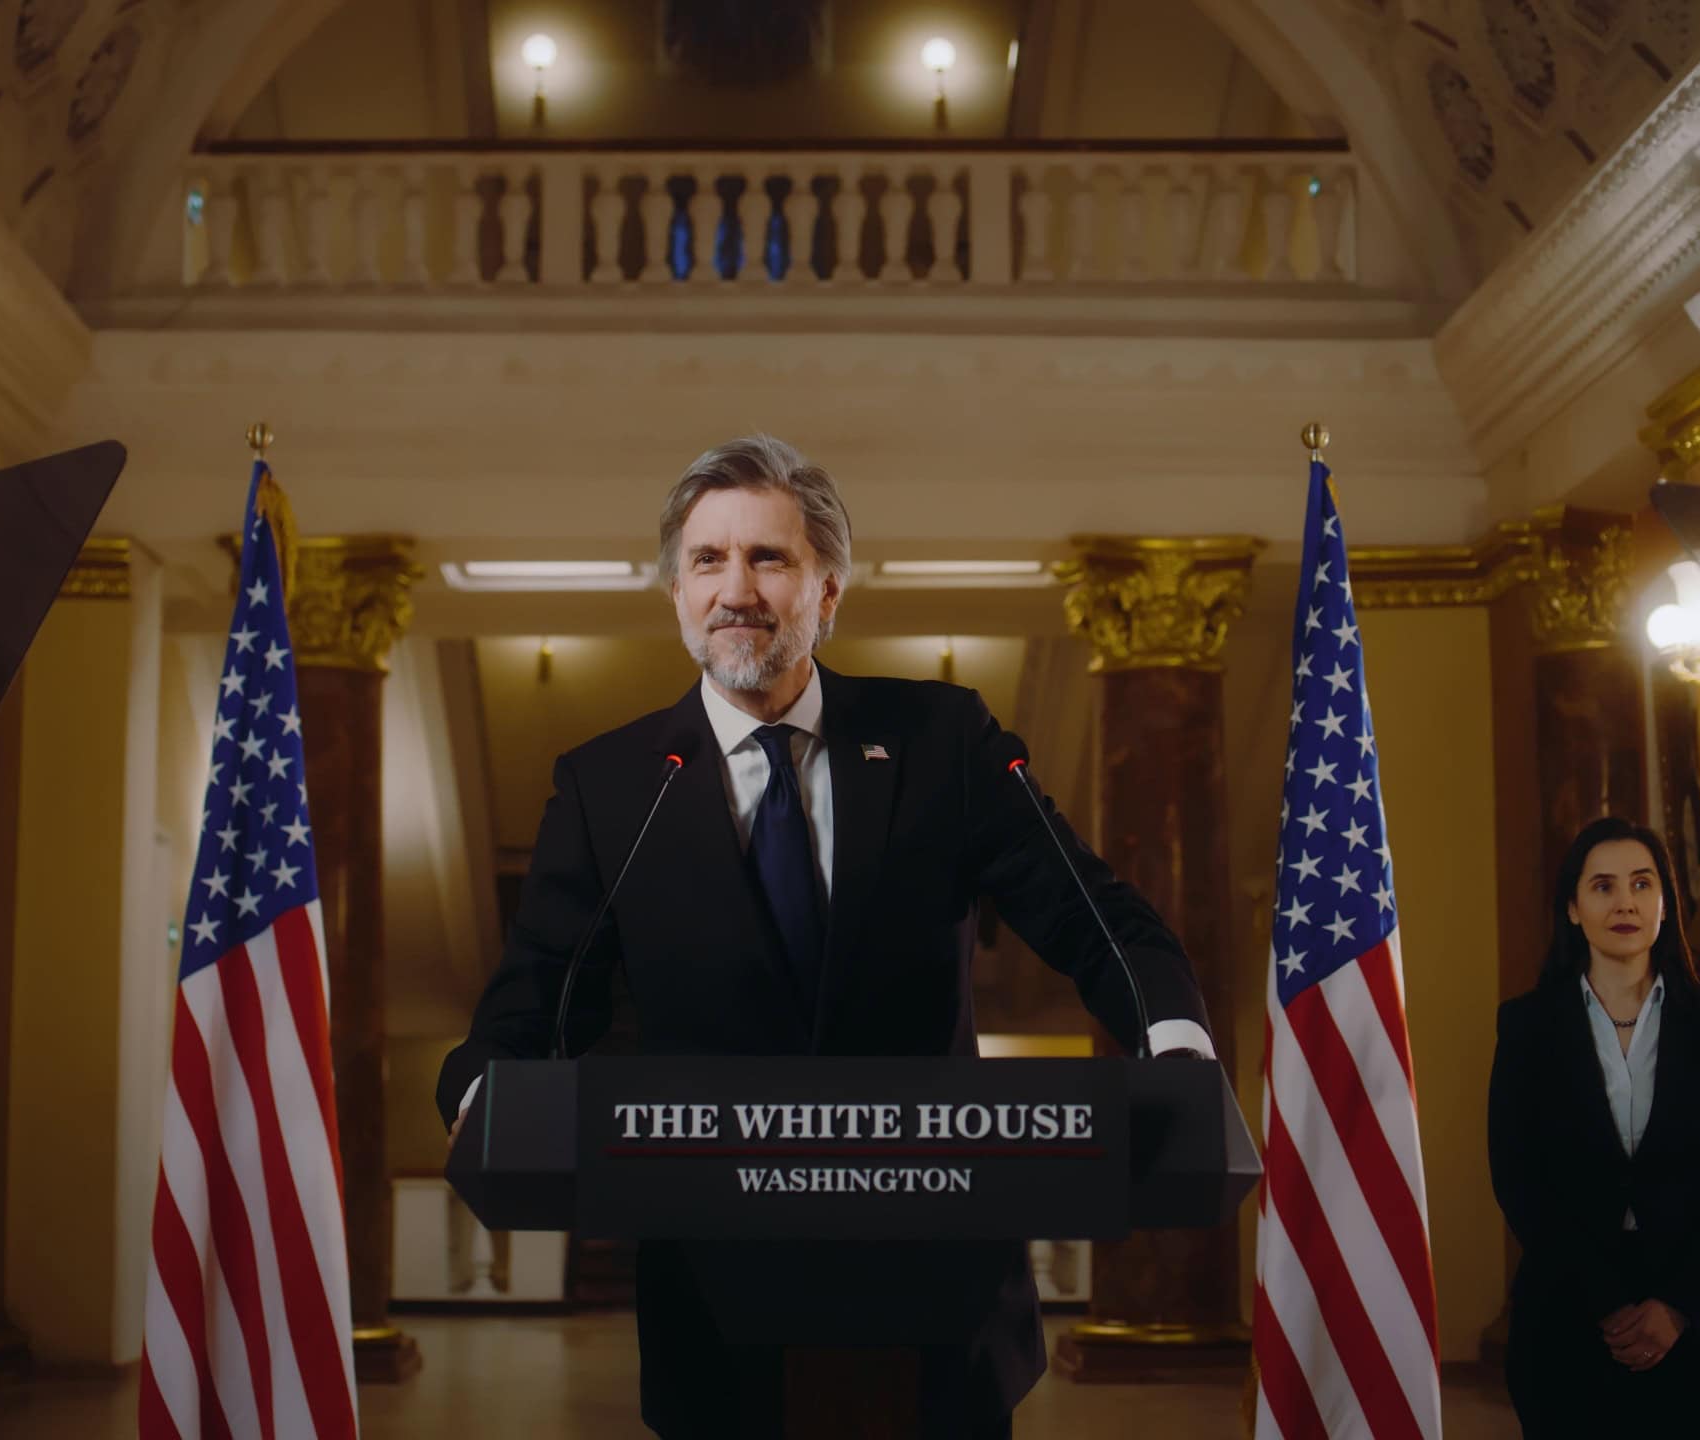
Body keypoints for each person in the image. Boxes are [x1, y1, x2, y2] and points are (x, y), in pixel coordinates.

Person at [436, 435, 1217, 1438]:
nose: (737, 589)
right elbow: (537, 996)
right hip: (718, 1309)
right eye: (708, 561)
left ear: (829, 589)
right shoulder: (612, 786)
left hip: (938, 1293)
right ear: (674, 592)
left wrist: (1175, 1042)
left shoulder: (947, 742)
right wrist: (477, 1090)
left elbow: (1092, 914)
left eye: (769, 558)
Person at [1487, 817, 1700, 1438]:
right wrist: (1607, 1302)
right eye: (1603, 886)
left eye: (1641, 884)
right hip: (1565, 1316)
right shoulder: (1528, 1027)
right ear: (1573, 908)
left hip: (1694, 1325)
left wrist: (1676, 1307)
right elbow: (1518, 1177)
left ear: (1664, 905)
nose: (1624, 903)